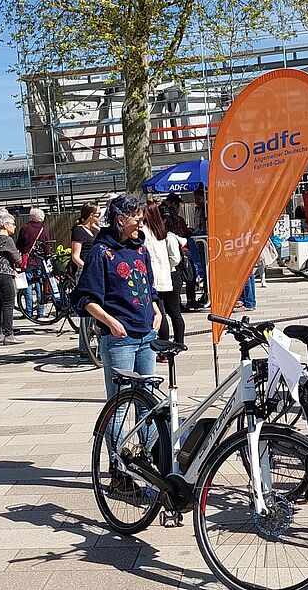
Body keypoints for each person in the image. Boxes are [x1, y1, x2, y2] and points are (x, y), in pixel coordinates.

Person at [71, 194, 162, 493]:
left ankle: (148, 464)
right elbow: (84, 298)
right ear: (120, 219)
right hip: (119, 339)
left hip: (146, 334)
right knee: (120, 405)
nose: (141, 222)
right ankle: (119, 471)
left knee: (148, 402)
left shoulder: (140, 249)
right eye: (136, 217)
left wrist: (157, 309)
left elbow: (148, 286)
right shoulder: (101, 252)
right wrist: (110, 321)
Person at [142, 202, 185, 346]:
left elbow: (175, 258)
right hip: (165, 276)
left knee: (161, 313)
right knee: (172, 312)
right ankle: (176, 343)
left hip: (156, 277)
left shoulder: (144, 232)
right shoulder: (160, 231)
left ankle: (164, 344)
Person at [0, 211, 23, 345]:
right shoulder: (7, 240)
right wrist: (18, 256)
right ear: (5, 225)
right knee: (8, 303)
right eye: (13, 224)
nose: (14, 226)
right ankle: (8, 334)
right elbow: (18, 259)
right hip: (4, 273)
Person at [17, 208, 52, 316]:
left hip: (27, 261)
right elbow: (47, 247)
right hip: (40, 261)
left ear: (31, 217)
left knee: (27, 286)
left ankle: (28, 311)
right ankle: (40, 311)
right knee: (39, 286)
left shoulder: (25, 229)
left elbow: (19, 245)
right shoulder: (44, 230)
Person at [69, 203, 100, 275]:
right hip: (85, 271)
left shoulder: (93, 230)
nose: (100, 216)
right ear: (91, 215)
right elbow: (75, 256)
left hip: (95, 268)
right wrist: (89, 269)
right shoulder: (79, 231)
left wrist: (95, 227)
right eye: (99, 214)